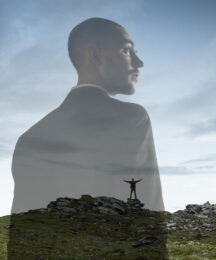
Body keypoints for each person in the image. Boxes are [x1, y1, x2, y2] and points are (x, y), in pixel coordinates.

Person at [8, 17, 168, 259]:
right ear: (96, 54)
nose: (139, 62)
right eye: (127, 50)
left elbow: (21, 237)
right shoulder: (131, 117)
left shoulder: (29, 137)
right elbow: (148, 217)